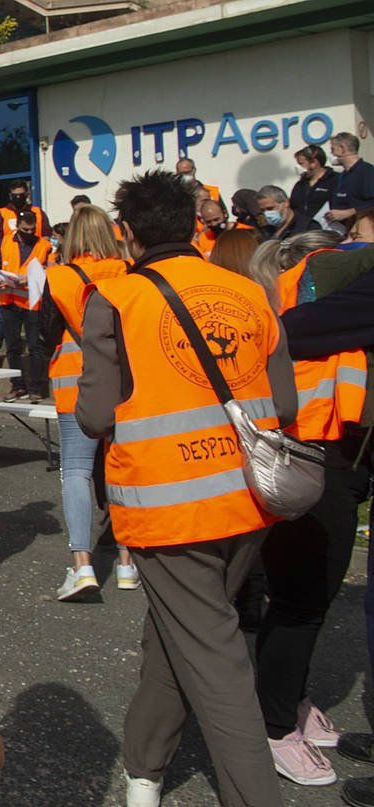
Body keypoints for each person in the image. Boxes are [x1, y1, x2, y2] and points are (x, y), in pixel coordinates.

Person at [77, 170, 297, 807]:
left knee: (218, 664)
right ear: (194, 224)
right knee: (180, 640)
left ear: (128, 233)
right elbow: (281, 400)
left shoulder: (116, 298)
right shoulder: (247, 290)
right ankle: (144, 767)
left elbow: (95, 416)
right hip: (251, 497)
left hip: (170, 509)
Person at [237, 231, 365, 787]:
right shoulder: (314, 307)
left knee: (299, 601)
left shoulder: (284, 302)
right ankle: (274, 726)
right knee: (302, 601)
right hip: (315, 461)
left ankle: (290, 703)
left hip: (313, 458)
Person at [39, 204, 135, 601]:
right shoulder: (130, 272)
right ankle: (128, 563)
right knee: (120, 468)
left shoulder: (58, 276)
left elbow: (44, 333)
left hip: (74, 379)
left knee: (76, 471)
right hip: (124, 381)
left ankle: (82, 567)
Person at [0, 209, 52, 402]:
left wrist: (26, 279)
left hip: (32, 302)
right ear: (18, 226)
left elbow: (50, 271)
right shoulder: (5, 242)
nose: (28, 233)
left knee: (35, 346)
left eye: (31, 229)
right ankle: (17, 386)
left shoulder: (43, 245)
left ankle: (36, 388)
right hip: (8, 301)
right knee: (12, 347)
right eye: (25, 229)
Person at [327, 132, 374, 232]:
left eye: (333, 149)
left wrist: (348, 212)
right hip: (343, 231)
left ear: (343, 148)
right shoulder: (342, 175)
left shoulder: (366, 171)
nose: (331, 154)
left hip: (363, 233)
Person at [0, 179, 49, 252]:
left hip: (36, 256)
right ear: (10, 196)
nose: (18, 198)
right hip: (11, 258)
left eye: (21, 195)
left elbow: (47, 237)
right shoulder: (1, 214)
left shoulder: (38, 212)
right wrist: (16, 247)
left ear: (27, 195)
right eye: (15, 195)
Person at [289, 144, 338, 225]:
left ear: (314, 163)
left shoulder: (335, 180)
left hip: (328, 231)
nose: (298, 167)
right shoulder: (300, 184)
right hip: (302, 231)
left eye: (301, 163)